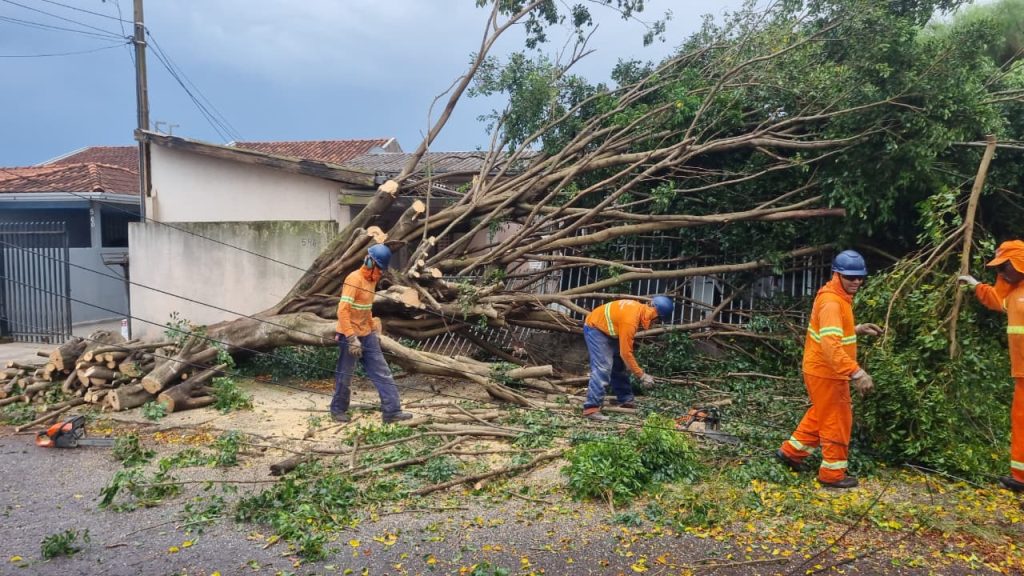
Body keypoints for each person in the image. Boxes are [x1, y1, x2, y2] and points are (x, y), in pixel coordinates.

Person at [776, 250, 883, 489]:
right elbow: (831, 346)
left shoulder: (837, 297)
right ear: (837, 275)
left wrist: (857, 329)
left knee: (823, 412)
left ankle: (791, 453)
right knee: (837, 419)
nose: (856, 281)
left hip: (822, 370)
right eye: (850, 277)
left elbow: (832, 332)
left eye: (860, 277)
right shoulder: (832, 303)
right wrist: (857, 372)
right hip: (826, 371)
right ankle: (832, 474)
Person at [957, 240, 1024, 493]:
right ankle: (1020, 476)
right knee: (1021, 422)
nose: (1001, 272)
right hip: (1021, 373)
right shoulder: (1014, 292)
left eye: (1004, 267)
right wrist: (976, 284)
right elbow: (997, 300)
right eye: (998, 268)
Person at [330, 244, 413, 424]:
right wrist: (351, 338)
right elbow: (342, 311)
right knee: (345, 374)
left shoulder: (372, 281)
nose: (381, 273)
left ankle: (392, 412)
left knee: (382, 372)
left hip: (367, 334)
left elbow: (366, 308)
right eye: (379, 269)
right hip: (349, 334)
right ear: (369, 262)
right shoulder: (354, 279)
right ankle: (338, 410)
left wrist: (373, 329)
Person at [581, 295, 674, 421]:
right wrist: (641, 375)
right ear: (654, 313)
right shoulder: (630, 320)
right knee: (603, 367)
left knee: (618, 364)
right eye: (657, 320)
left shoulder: (638, 310)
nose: (655, 323)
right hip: (595, 328)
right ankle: (591, 408)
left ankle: (625, 399)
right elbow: (626, 353)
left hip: (607, 330)